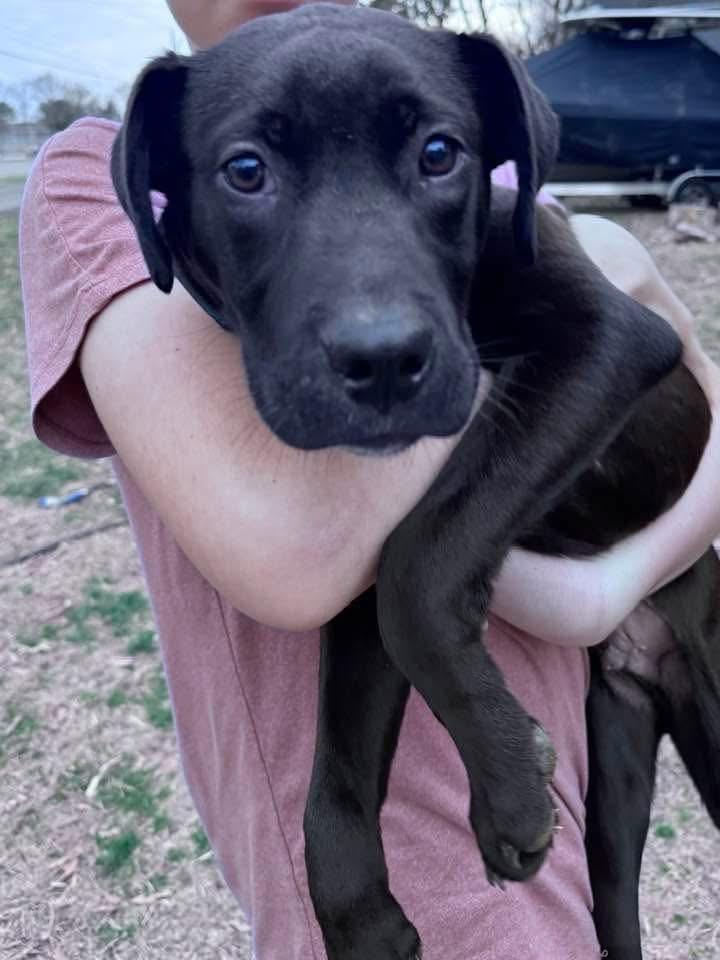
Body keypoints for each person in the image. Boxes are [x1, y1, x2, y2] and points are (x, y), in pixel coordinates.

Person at [19, 1, 720, 957]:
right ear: (165, 200)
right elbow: (319, 560)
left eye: (436, 157)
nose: (377, 323)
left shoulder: (503, 199)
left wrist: (606, 591)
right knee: (609, 871)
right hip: (444, 880)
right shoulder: (89, 173)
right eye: (248, 173)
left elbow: (662, 368)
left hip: (640, 639)